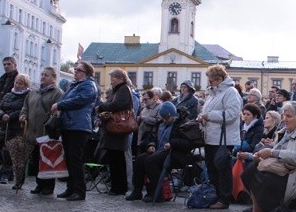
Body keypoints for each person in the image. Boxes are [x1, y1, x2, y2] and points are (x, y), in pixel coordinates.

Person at [127, 101, 197, 202]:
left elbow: (189, 143)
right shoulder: (162, 124)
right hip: (161, 151)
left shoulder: (182, 123)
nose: (165, 120)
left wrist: (172, 143)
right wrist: (152, 145)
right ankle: (137, 191)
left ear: (172, 115)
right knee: (140, 159)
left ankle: (157, 193)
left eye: (167, 118)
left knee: (150, 161)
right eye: (164, 118)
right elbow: (155, 138)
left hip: (176, 154)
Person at [52, 61, 99, 201]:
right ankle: (71, 188)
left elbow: (79, 100)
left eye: (78, 70)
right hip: (69, 124)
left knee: (75, 159)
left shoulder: (89, 85)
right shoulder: (75, 85)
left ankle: (80, 190)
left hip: (79, 126)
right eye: (75, 69)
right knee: (69, 158)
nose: (75, 71)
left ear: (86, 73)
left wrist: (60, 105)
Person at [197, 64, 242, 209]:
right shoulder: (213, 94)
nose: (209, 83)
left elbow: (231, 115)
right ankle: (217, 195)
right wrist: (203, 118)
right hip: (211, 137)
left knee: (222, 167)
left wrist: (208, 116)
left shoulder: (230, 92)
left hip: (224, 138)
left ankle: (224, 198)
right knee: (211, 167)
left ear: (220, 79)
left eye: (211, 80)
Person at [20, 67, 63, 194]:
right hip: (32, 132)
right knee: (36, 160)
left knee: (47, 160)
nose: (43, 77)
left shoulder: (57, 93)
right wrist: (23, 115)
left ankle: (48, 186)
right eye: (42, 74)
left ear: (53, 78)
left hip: (46, 132)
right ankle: (39, 185)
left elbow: (59, 111)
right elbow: (25, 107)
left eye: (46, 75)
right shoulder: (33, 92)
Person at [0, 73, 31, 187]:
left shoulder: (28, 97)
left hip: (17, 129)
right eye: (16, 82)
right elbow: (0, 107)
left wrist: (10, 116)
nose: (17, 85)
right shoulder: (8, 95)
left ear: (25, 85)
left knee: (15, 155)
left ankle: (17, 181)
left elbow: (24, 110)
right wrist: (1, 115)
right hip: (3, 128)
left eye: (20, 83)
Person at [96, 68, 134, 196]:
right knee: (113, 157)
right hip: (113, 129)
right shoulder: (117, 90)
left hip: (119, 128)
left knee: (118, 158)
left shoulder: (124, 89)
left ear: (120, 79)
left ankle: (119, 187)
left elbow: (117, 104)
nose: (111, 81)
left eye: (113, 78)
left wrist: (102, 107)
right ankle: (116, 186)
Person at [0, 56, 19, 183]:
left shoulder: (17, 78)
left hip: (10, 119)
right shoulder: (2, 78)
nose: (6, 66)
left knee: (9, 147)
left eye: (8, 64)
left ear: (14, 64)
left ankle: (6, 174)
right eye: (4, 64)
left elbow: (17, 100)